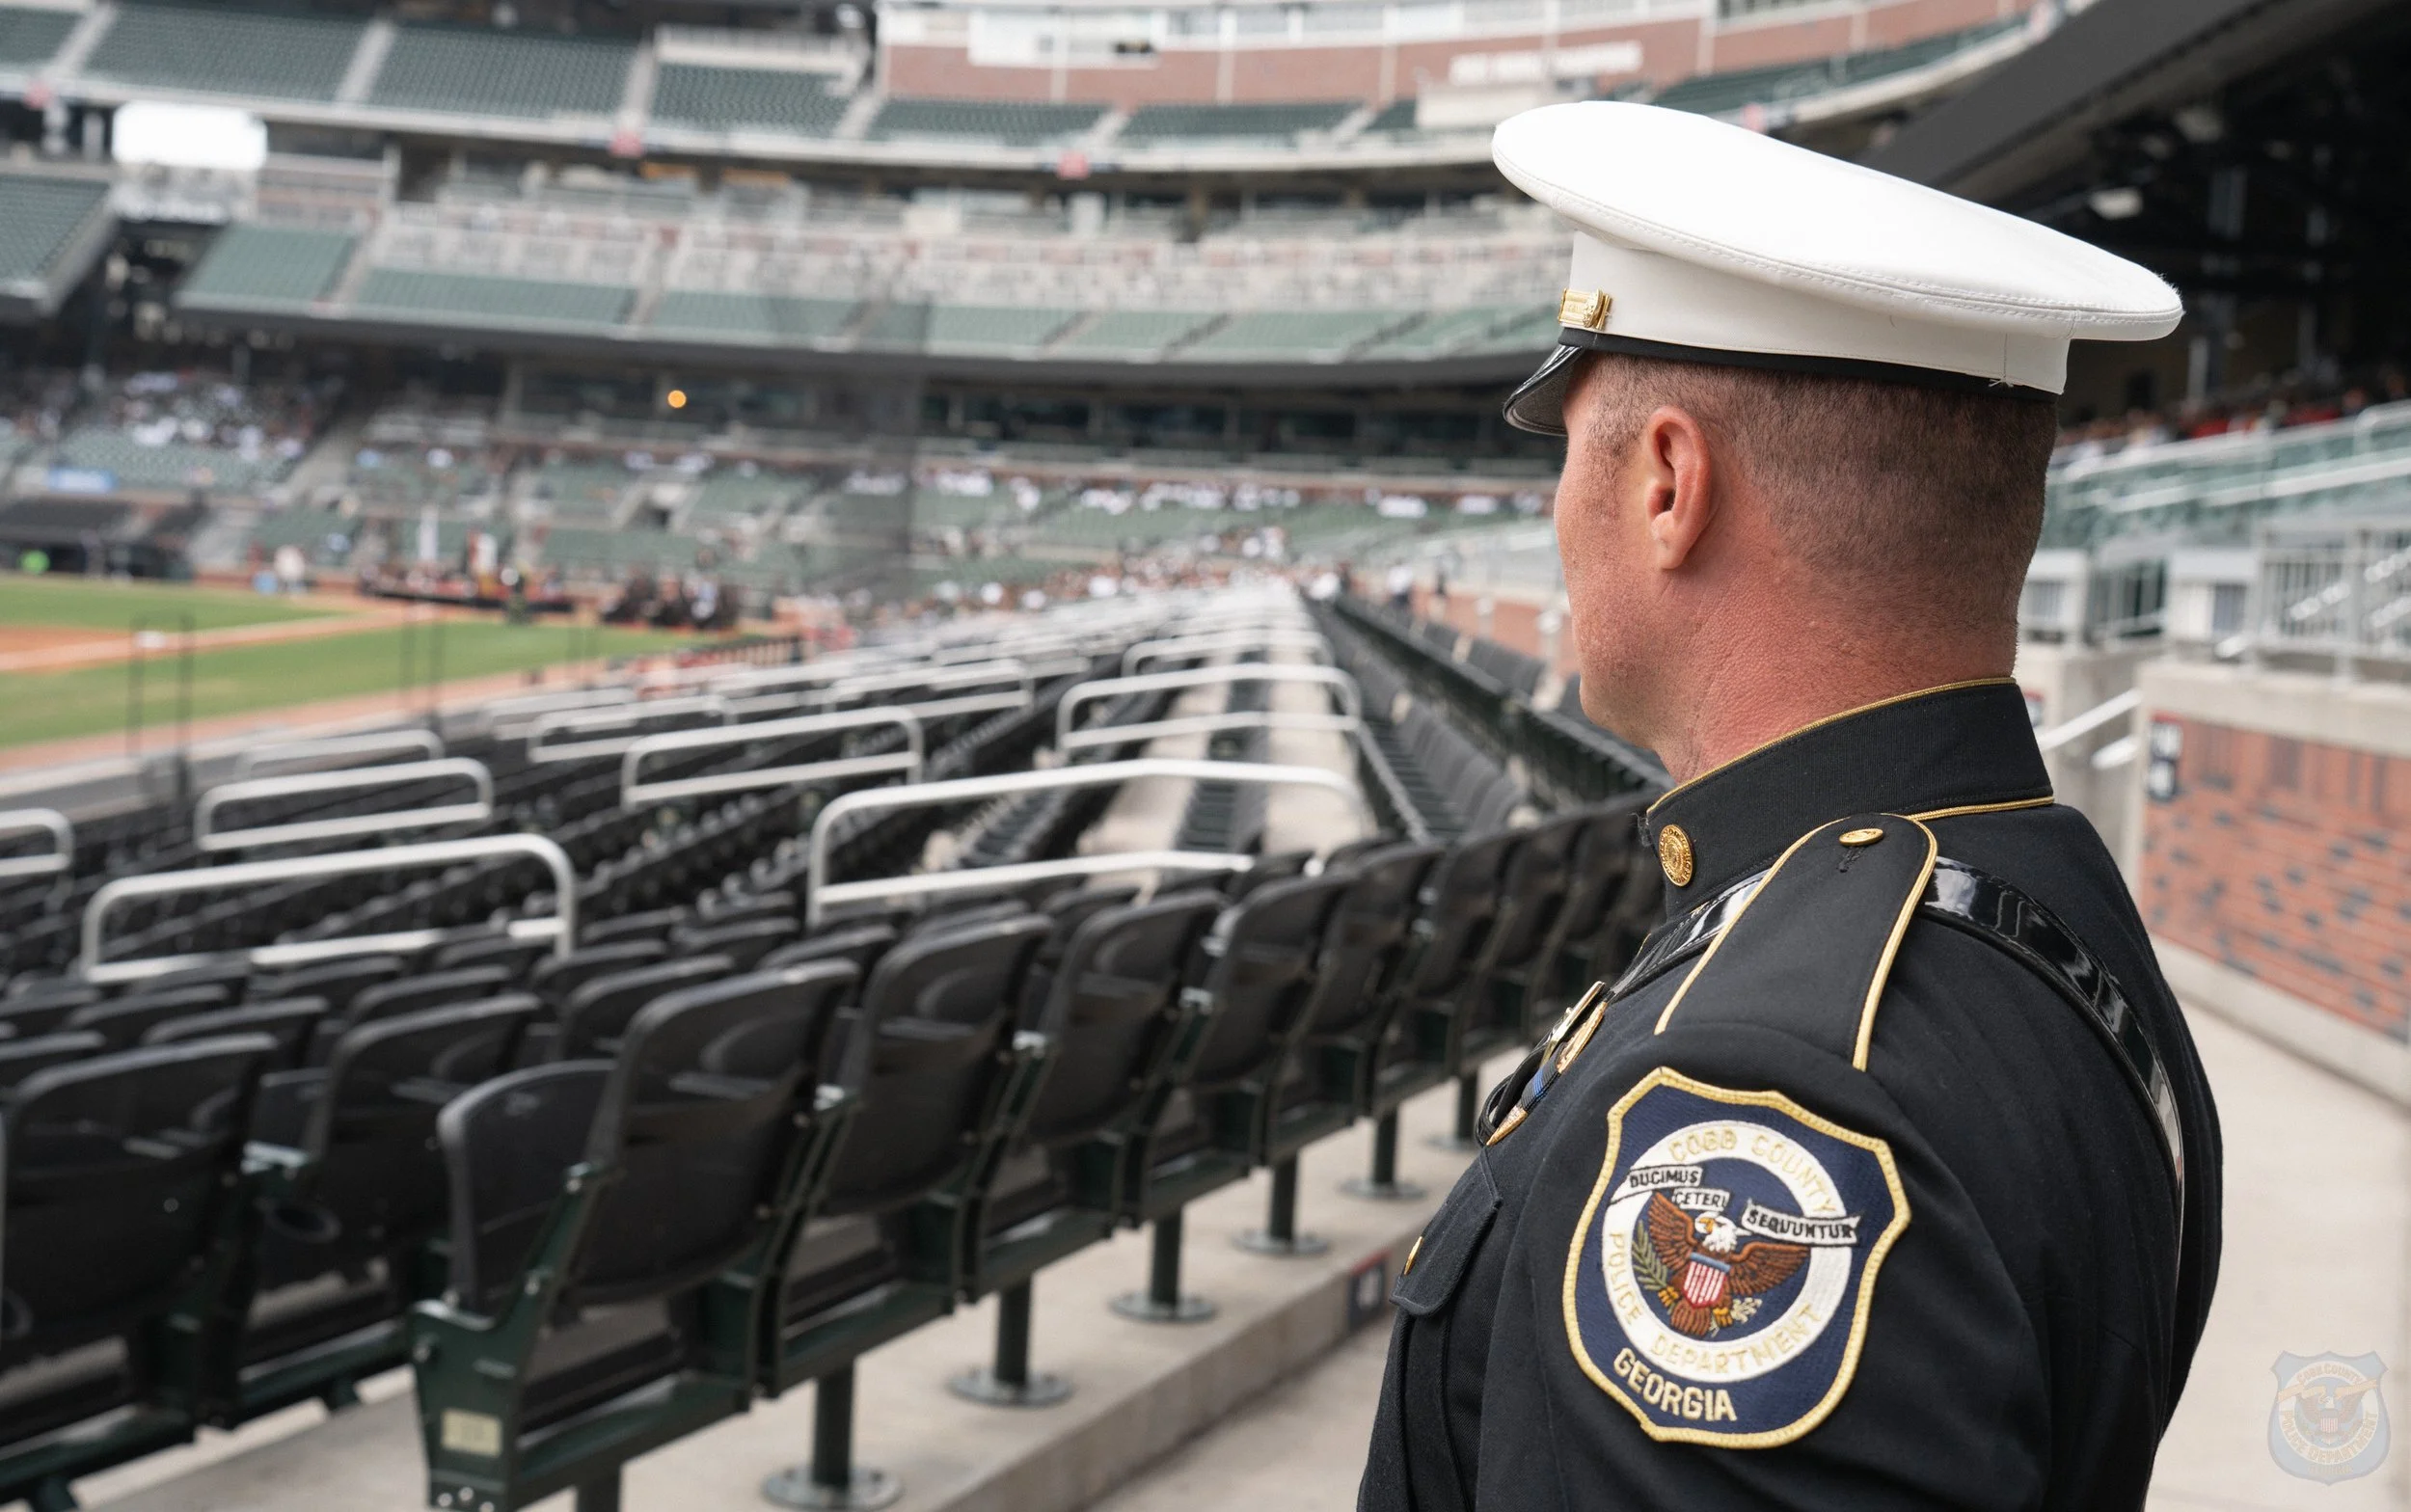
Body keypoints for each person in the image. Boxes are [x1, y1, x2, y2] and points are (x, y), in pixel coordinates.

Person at [1359, 101, 2222, 1511]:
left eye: (1564, 452)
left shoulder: (1761, 1101)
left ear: (1666, 486)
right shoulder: (2038, 893)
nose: (1549, 514)